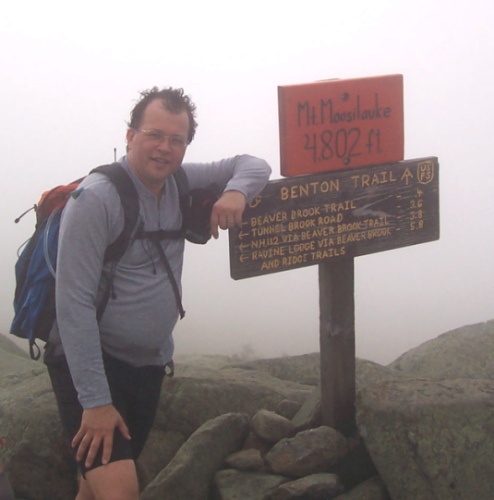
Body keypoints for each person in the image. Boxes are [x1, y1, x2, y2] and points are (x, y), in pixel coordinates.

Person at [44, 86, 271, 500]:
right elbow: (72, 303)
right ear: (130, 136)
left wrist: (236, 191)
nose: (164, 148)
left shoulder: (179, 181)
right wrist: (94, 402)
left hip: (147, 367)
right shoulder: (96, 200)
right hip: (93, 366)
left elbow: (253, 164)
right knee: (120, 491)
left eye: (176, 140)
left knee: (92, 487)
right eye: (154, 135)